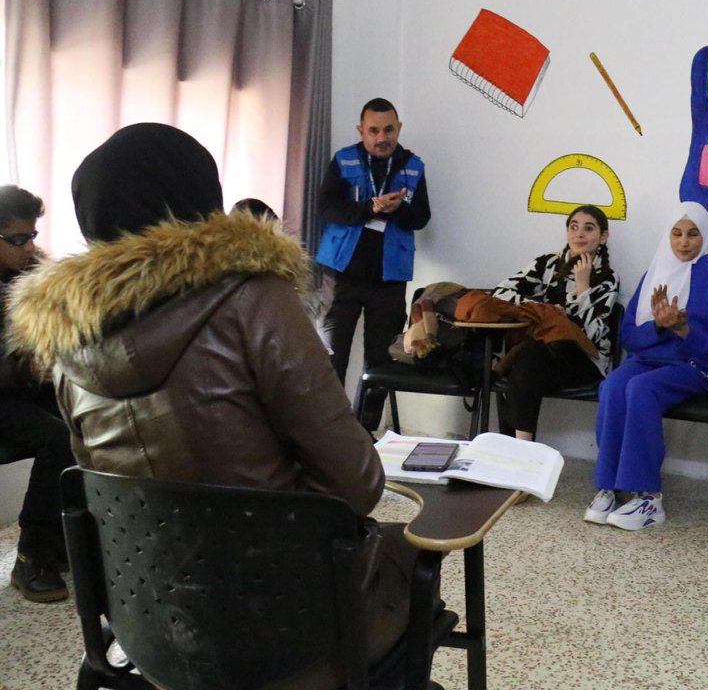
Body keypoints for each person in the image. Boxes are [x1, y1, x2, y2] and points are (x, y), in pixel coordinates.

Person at [7, 123, 416, 686]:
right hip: (289, 631)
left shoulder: (68, 343)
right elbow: (357, 485)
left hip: (148, 629)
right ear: (203, 203)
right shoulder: (257, 300)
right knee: (411, 555)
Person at [586, 202, 708, 530]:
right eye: (677, 233)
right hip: (646, 361)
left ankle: (649, 498)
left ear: (705, 238)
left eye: (693, 234)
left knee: (641, 388)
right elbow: (629, 338)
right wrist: (658, 325)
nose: (684, 242)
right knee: (613, 385)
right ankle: (608, 487)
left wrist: (682, 329)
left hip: (695, 367)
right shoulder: (652, 276)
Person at [315, 98, 431, 430]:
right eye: (374, 130)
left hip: (389, 277)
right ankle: (329, 430)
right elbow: (327, 209)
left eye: (389, 129)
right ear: (361, 131)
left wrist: (397, 211)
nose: (382, 137)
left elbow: (421, 218)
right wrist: (370, 208)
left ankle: (363, 432)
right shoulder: (344, 160)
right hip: (342, 273)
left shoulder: (414, 166)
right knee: (331, 356)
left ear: (399, 128)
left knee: (380, 362)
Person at [0, 185, 74, 603]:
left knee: (88, 422)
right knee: (59, 439)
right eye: (17, 239)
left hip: (27, 389)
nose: (29, 246)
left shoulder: (36, 277)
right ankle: (30, 554)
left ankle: (62, 539)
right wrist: (29, 365)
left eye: (31, 236)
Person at [491, 205, 620, 440]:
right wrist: (542, 310)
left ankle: (518, 447)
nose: (579, 234)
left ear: (603, 236)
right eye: (574, 227)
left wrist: (583, 289)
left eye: (588, 228)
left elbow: (595, 335)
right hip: (542, 350)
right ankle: (517, 447)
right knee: (526, 359)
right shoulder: (547, 264)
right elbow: (500, 293)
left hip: (586, 358)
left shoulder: (607, 277)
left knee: (529, 360)